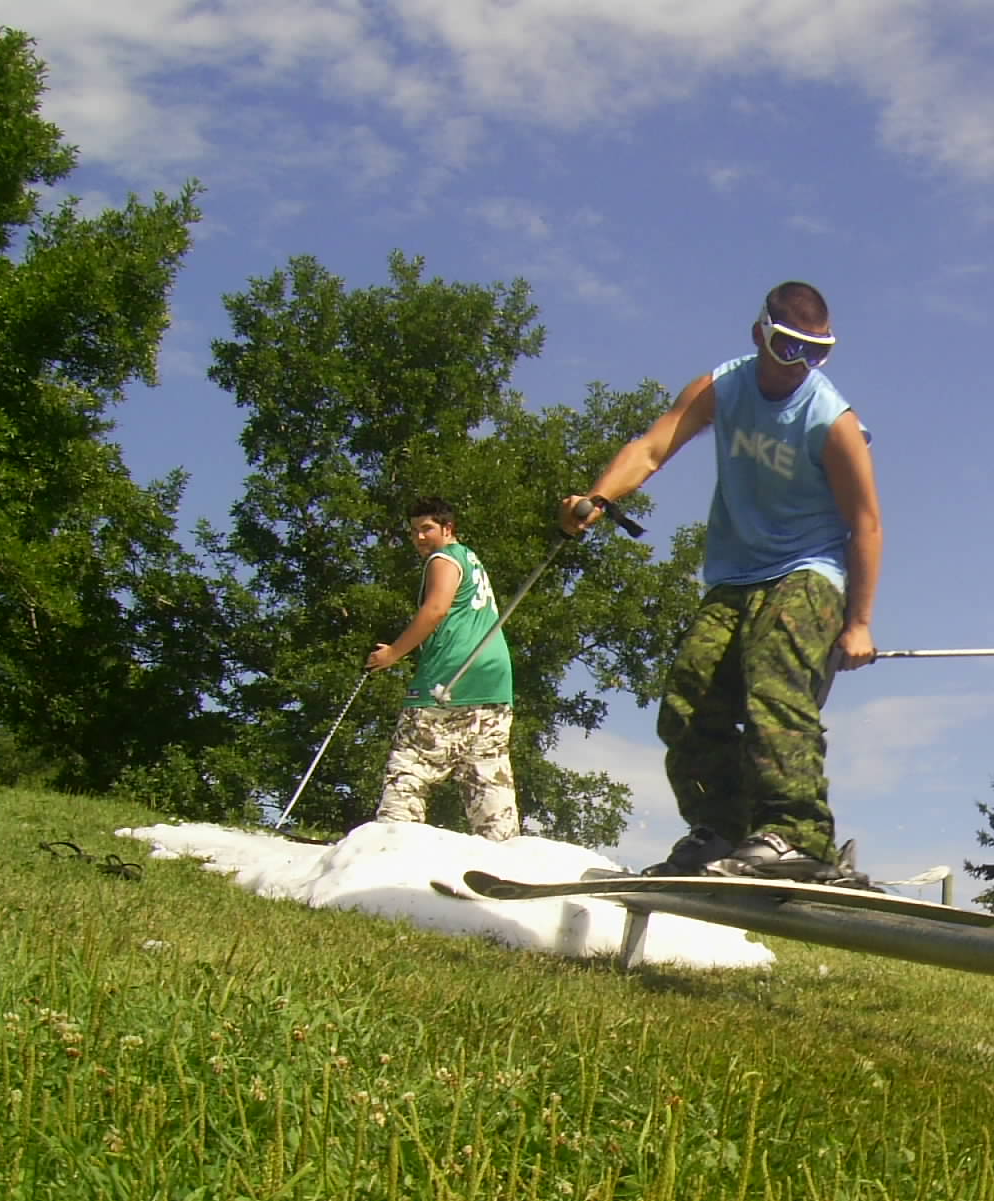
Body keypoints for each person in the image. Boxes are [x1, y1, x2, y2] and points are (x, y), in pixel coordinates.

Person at [561, 280, 881, 881]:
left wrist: (858, 622)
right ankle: (722, 826)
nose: (801, 366)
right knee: (688, 697)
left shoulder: (831, 420)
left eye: (818, 353)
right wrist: (600, 496)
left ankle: (796, 834)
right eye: (790, 348)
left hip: (809, 570)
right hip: (734, 575)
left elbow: (866, 523)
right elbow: (654, 446)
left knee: (773, 684)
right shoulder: (721, 387)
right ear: (761, 332)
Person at [368, 496, 519, 840]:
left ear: (447, 529)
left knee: (410, 764)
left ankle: (390, 845)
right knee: (487, 774)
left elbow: (436, 609)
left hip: (450, 676)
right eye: (413, 532)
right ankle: (505, 852)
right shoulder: (471, 559)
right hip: (494, 681)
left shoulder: (444, 558)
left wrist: (392, 653)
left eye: (427, 529)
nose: (419, 538)